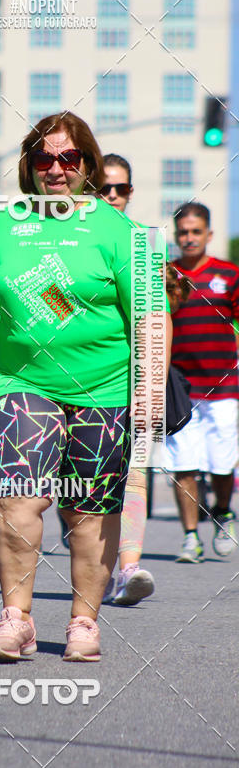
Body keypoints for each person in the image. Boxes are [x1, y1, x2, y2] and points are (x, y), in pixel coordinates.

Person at [0, 111, 150, 663]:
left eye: (69, 158)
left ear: (87, 165)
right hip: (22, 383)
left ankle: (83, 622)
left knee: (90, 512)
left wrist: (148, 390)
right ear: (29, 167)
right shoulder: (0, 230)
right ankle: (16, 618)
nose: (57, 169)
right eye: (45, 158)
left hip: (104, 389)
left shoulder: (119, 232)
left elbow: (149, 317)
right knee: (16, 499)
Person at [164, 201, 239, 562]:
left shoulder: (230, 274)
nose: (189, 238)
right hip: (181, 387)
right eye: (183, 232)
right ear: (176, 236)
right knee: (184, 464)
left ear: (208, 234)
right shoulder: (166, 276)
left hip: (224, 388)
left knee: (222, 464)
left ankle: (224, 511)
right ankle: (190, 537)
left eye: (196, 231)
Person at [98, 154, 156, 605]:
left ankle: (129, 568)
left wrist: (150, 384)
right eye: (104, 188)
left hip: (135, 381)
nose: (112, 196)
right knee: (81, 488)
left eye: (120, 189)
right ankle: (96, 566)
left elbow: (158, 317)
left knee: (134, 475)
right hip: (81, 385)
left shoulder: (142, 243)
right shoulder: (72, 239)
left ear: (130, 193)